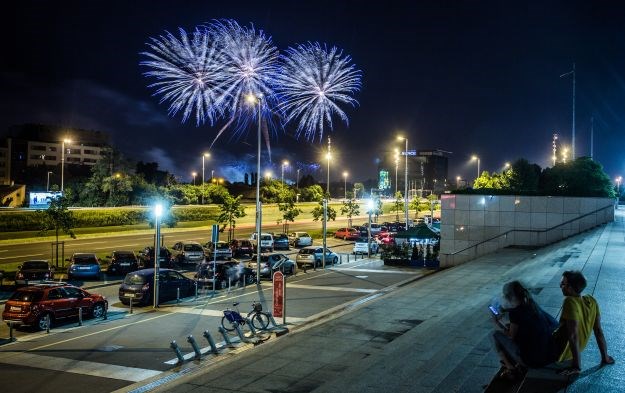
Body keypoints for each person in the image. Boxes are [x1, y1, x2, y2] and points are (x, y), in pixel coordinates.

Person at [492, 281, 559, 379]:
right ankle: (512, 362)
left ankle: (510, 368)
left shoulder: (515, 313)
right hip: (549, 355)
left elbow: (510, 336)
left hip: (533, 361)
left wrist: (497, 322)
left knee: (495, 335)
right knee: (510, 328)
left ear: (508, 297)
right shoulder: (531, 304)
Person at [553, 270, 615, 376]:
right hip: (579, 347)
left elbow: (573, 336)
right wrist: (605, 357)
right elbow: (598, 331)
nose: (560, 286)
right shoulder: (592, 300)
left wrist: (576, 366)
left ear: (571, 288)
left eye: (563, 284)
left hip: (559, 350)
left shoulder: (569, 301)